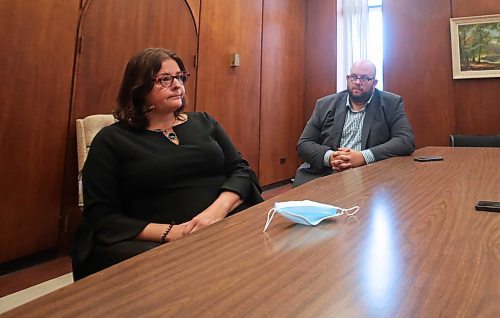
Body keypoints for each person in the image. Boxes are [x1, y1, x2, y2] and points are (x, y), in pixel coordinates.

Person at [72, 48, 263, 280]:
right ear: (139, 87)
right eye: (165, 79)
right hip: (166, 241)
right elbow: (103, 218)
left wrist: (216, 212)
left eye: (180, 77)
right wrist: (176, 233)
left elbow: (240, 171)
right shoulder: (111, 141)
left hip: (226, 221)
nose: (177, 85)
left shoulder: (205, 122)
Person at [293, 59, 415, 187]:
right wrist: (331, 157)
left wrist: (364, 157)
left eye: (364, 78)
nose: (357, 82)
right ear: (347, 78)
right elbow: (304, 144)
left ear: (374, 83)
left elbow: (405, 140)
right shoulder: (325, 105)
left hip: (370, 177)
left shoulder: (391, 103)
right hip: (327, 175)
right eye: (354, 77)